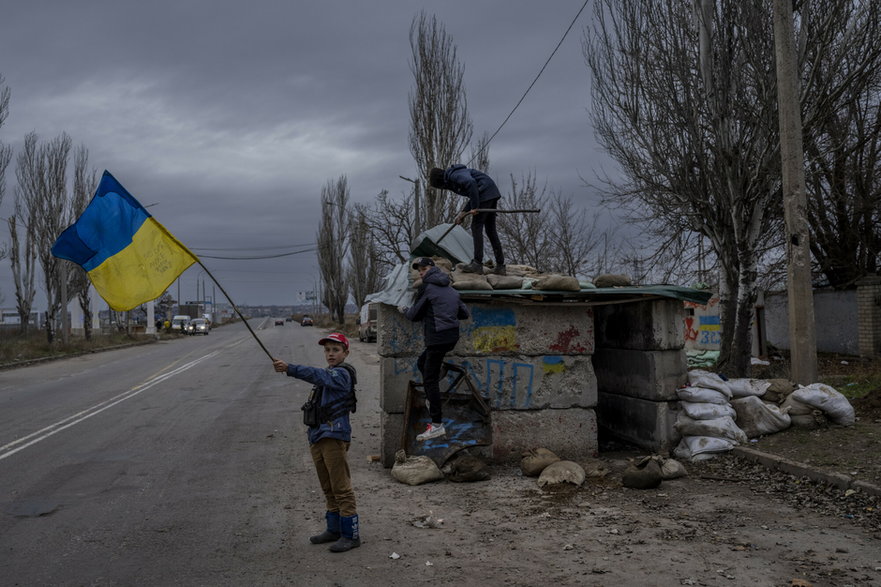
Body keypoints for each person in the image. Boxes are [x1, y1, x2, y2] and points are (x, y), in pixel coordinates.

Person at [272, 332, 361, 553]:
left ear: (345, 353)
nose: (330, 354)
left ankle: (351, 534)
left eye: (336, 350)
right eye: (327, 350)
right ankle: (334, 529)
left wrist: (290, 368)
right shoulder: (330, 372)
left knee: (341, 487)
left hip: (334, 436)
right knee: (327, 486)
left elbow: (317, 375)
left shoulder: (342, 374)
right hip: (319, 436)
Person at [399, 257, 470, 441]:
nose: (420, 272)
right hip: (451, 337)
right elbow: (464, 313)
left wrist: (404, 309)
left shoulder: (427, 288)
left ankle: (437, 425)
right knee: (422, 362)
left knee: (429, 379)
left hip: (437, 339)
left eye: (423, 269)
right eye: (419, 270)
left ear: (431, 268)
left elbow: (415, 315)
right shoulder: (451, 290)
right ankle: (433, 397)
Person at [429, 164, 506, 275]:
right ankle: (500, 266)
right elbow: (474, 193)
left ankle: (477, 264)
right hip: (490, 193)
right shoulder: (454, 176)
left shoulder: (454, 175)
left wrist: (474, 207)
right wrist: (463, 213)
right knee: (490, 230)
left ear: (440, 181)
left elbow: (471, 184)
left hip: (486, 193)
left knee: (476, 226)